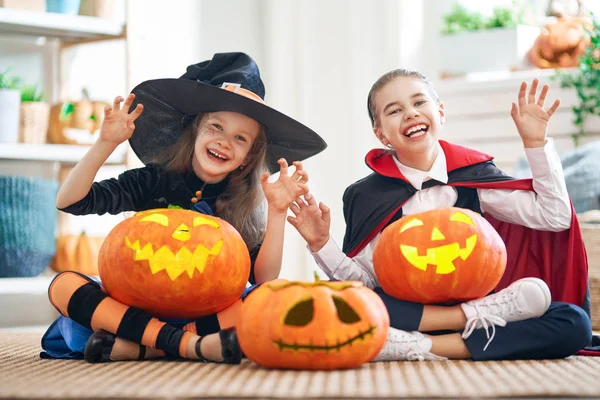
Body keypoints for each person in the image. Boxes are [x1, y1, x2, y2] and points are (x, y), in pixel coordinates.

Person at [287, 68, 595, 361]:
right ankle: (456, 332)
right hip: (410, 311)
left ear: (441, 113)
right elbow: (363, 284)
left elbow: (555, 217)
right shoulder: (365, 196)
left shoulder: (475, 177)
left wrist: (535, 143)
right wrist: (321, 243)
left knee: (574, 323)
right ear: (381, 135)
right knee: (350, 303)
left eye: (419, 102)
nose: (410, 113)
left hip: (481, 306)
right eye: (394, 110)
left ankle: (424, 345)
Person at [41, 52, 327, 364]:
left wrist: (277, 211)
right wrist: (105, 145)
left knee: (275, 297)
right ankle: (187, 347)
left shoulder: (244, 203)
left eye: (240, 138)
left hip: (203, 315)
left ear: (247, 156)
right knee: (64, 285)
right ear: (194, 131)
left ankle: (148, 347)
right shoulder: (152, 180)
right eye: (216, 126)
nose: (224, 141)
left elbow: (264, 279)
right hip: (135, 307)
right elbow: (69, 201)